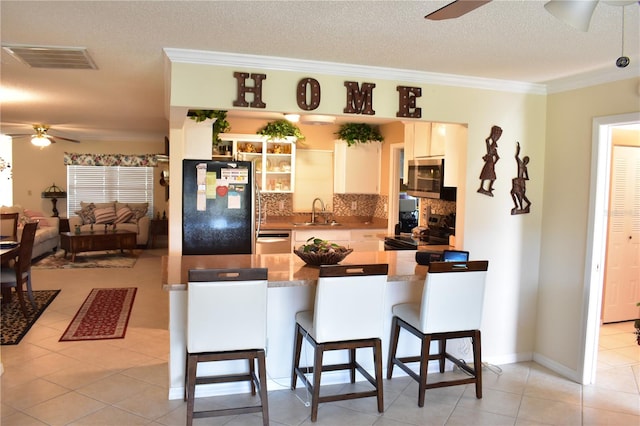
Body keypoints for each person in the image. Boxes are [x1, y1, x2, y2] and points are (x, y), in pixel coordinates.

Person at [477, 125, 502, 196]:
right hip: (489, 163)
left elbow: (498, 157)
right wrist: (491, 136)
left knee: (490, 177)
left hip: (490, 164)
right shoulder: (490, 149)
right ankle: (483, 188)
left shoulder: (493, 150)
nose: (494, 146)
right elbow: (487, 140)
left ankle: (488, 188)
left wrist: (494, 163)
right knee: (485, 176)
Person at [511, 142, 531, 214]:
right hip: (519, 180)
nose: (525, 161)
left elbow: (527, 177)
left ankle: (522, 206)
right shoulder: (521, 164)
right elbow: (516, 156)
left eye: (526, 161)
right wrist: (518, 149)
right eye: (525, 160)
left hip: (520, 181)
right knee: (516, 193)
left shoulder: (524, 167)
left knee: (520, 195)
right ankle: (520, 206)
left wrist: (523, 179)